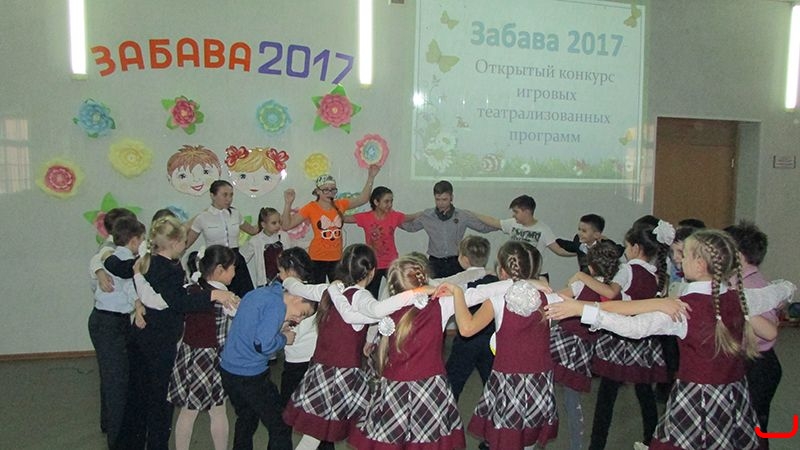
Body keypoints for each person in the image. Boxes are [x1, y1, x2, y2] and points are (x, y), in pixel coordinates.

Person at [545, 229, 797, 450]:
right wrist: (788, 288)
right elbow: (780, 291)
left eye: (684, 255)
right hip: (734, 396)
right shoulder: (741, 299)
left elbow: (634, 327)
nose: (680, 260)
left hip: (696, 400)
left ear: (700, 265)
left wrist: (583, 310)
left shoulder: (683, 309)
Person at [282, 244, 430, 450]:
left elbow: (296, 286)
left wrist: (286, 278)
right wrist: (414, 293)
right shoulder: (360, 296)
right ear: (371, 272)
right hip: (344, 376)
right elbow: (377, 310)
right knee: (366, 428)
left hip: (321, 370)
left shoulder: (327, 290)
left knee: (314, 435)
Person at [123, 217, 238, 450]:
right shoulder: (167, 269)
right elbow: (174, 302)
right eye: (184, 241)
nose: (186, 245)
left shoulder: (157, 265)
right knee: (165, 403)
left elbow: (155, 296)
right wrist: (214, 295)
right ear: (174, 243)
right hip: (163, 342)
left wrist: (139, 301)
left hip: (163, 341)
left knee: (174, 405)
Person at [569, 220, 673, 449]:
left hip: (620, 338)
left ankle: (597, 446)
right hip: (644, 340)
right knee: (644, 392)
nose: (624, 251)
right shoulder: (657, 274)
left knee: (607, 397)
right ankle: (650, 440)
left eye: (626, 246)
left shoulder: (627, 269)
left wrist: (583, 276)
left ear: (636, 248)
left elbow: (610, 292)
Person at [347, 254, 467, 449]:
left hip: (395, 388)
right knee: (427, 440)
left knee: (391, 439)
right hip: (429, 389)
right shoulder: (441, 306)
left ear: (392, 286)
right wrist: (454, 289)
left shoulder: (386, 308)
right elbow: (474, 290)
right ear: (424, 278)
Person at [449, 241, 559, 450]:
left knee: (505, 438)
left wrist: (457, 294)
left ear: (501, 271)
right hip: (539, 381)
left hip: (509, 383)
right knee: (528, 437)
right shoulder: (549, 297)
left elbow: (466, 329)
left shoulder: (498, 300)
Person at [219, 281, 317, 450]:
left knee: (247, 418)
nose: (298, 320)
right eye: (302, 314)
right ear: (296, 298)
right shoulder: (277, 306)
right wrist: (284, 339)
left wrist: (279, 329)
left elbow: (254, 330)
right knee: (280, 424)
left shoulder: (261, 293)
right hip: (250, 375)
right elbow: (262, 345)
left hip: (229, 370)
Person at [550, 240, 621, 450]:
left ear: (590, 266)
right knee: (572, 400)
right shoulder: (614, 292)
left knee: (545, 387)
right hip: (583, 349)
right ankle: (576, 445)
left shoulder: (582, 284)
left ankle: (539, 435)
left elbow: (557, 298)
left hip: (563, 341)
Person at [166, 245, 237, 450]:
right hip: (211, 358)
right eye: (233, 268)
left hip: (190, 355)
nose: (235, 272)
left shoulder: (191, 289)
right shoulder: (225, 297)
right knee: (217, 410)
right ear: (220, 270)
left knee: (189, 411)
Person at [88, 216, 145, 449]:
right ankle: (117, 441)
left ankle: (110, 425)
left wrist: (137, 304)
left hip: (114, 322)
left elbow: (128, 285)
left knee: (114, 378)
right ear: (134, 241)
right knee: (116, 383)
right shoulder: (115, 257)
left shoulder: (117, 256)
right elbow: (124, 275)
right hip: (108, 323)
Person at [725, 220, 781, 449]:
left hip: (758, 365)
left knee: (753, 428)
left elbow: (767, 331)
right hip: (752, 362)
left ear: (738, 255)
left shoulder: (751, 286)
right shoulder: (740, 281)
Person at [281, 164, 380, 283]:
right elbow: (287, 225)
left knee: (339, 290)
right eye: (326, 190)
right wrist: (288, 203)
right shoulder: (311, 208)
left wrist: (371, 177)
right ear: (318, 191)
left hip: (336, 258)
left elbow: (362, 199)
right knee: (317, 291)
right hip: (317, 258)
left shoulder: (340, 204)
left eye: (333, 190)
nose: (330, 193)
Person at [400, 180, 497, 278]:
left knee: (459, 286)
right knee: (434, 287)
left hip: (456, 261)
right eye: (438, 199)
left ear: (451, 197)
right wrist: (392, 220)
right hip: (435, 262)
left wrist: (501, 226)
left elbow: (482, 227)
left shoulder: (462, 215)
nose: (441, 203)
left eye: (444, 199)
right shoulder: (427, 216)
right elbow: (410, 227)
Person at [470, 194, 573, 279]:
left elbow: (559, 250)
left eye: (516, 212)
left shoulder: (543, 229)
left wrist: (579, 252)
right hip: (516, 273)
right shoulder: (512, 223)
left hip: (536, 275)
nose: (513, 215)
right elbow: (494, 222)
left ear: (527, 212)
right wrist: (472, 214)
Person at [444, 235, 496, 402]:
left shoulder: (458, 282)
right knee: (492, 381)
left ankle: (448, 411)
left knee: (453, 381)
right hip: (491, 338)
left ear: (464, 259)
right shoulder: (495, 280)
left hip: (466, 340)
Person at [186, 180, 259, 298]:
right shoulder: (202, 217)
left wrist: (266, 221)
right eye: (225, 195)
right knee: (219, 296)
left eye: (231, 195)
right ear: (212, 195)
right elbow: (187, 243)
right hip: (215, 261)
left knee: (246, 296)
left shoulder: (235, 214)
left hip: (235, 260)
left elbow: (252, 230)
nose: (229, 199)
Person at [345, 186, 418, 298]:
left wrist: (426, 213)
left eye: (391, 201)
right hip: (373, 263)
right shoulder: (365, 217)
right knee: (371, 295)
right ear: (376, 202)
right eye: (386, 201)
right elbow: (345, 218)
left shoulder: (395, 216)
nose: (390, 204)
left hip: (391, 262)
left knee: (398, 293)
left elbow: (411, 217)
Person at [241, 207, 292, 288]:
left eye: (279, 222)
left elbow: (290, 257)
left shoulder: (284, 236)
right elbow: (243, 259)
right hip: (265, 281)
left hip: (284, 279)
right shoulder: (255, 240)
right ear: (263, 225)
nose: (278, 225)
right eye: (274, 223)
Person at [556, 213, 624, 274]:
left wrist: (607, 241)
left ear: (596, 235)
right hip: (584, 277)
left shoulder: (604, 246)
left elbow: (619, 250)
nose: (580, 233)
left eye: (584, 231)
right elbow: (569, 245)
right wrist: (556, 240)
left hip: (602, 279)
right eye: (579, 229)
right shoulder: (578, 242)